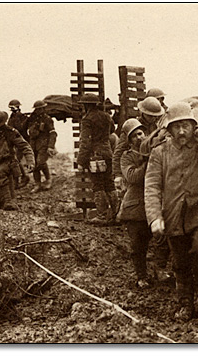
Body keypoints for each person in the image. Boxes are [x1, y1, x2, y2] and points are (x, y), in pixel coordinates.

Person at [144, 102, 198, 321]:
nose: (182, 131)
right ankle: (185, 303)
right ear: (169, 129)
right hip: (174, 213)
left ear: (194, 127)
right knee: (180, 262)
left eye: (186, 126)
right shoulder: (159, 153)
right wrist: (155, 217)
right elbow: (152, 186)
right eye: (177, 126)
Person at [117, 119, 170, 288]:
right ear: (129, 140)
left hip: (154, 205)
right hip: (135, 208)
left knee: (163, 239)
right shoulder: (127, 157)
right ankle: (141, 276)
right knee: (138, 246)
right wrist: (148, 162)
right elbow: (132, 177)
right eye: (134, 136)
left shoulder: (155, 151)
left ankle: (159, 269)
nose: (139, 138)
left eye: (141, 133)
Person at [0, 110, 35, 210]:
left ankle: (8, 202)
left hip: (8, 161)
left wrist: (30, 161)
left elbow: (25, 147)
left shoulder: (10, 132)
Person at [76, 94, 118, 225]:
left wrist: (81, 161)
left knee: (98, 185)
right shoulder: (106, 116)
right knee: (109, 184)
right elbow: (113, 129)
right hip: (108, 153)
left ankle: (102, 215)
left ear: (86, 105)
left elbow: (85, 142)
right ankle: (117, 215)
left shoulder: (87, 119)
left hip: (95, 156)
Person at [112, 97, 166, 191]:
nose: (153, 118)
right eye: (150, 116)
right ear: (143, 113)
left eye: (155, 116)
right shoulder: (134, 127)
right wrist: (118, 175)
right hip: (136, 165)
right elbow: (119, 151)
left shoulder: (157, 127)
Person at [27, 100, 57, 193]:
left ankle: (48, 180)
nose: (38, 111)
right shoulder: (32, 119)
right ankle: (37, 183)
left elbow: (53, 133)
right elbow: (26, 129)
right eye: (37, 109)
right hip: (33, 144)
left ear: (44, 109)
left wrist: (51, 146)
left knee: (40, 163)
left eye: (40, 109)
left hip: (43, 144)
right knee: (34, 163)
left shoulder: (47, 119)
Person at [7, 99, 32, 188]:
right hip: (14, 141)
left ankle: (23, 177)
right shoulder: (12, 117)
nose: (12, 110)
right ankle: (18, 179)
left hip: (22, 140)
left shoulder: (22, 117)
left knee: (16, 159)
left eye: (13, 108)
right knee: (15, 160)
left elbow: (20, 127)